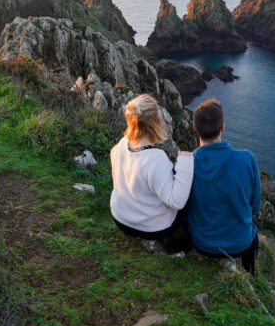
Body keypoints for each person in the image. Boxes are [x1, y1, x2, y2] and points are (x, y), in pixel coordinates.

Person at [186, 98, 261, 274]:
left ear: (195, 128)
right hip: (240, 244)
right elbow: (254, 206)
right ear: (223, 127)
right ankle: (251, 273)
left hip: (201, 243)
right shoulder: (247, 159)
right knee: (254, 229)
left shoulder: (185, 165)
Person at [110, 94, 194, 241]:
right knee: (188, 195)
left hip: (120, 218)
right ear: (156, 122)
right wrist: (186, 162)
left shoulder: (120, 146)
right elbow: (177, 202)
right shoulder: (156, 158)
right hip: (151, 228)